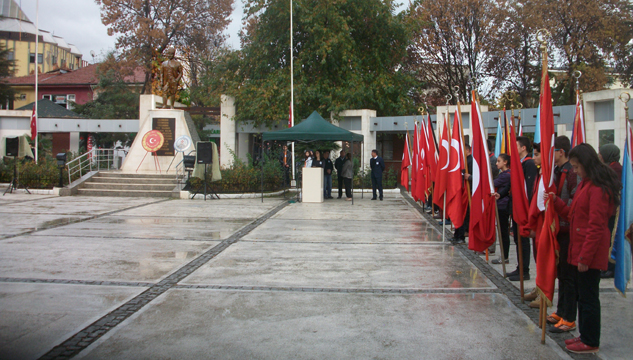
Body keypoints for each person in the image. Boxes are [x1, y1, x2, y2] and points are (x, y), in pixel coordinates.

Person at [546, 143, 621, 354]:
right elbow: (573, 214)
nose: (575, 171)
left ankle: (590, 340)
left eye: (577, 167)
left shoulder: (598, 188)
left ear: (587, 164)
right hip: (579, 248)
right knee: (583, 296)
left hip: (589, 251)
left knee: (588, 298)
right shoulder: (586, 184)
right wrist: (557, 202)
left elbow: (596, 226)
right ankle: (585, 335)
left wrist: (585, 258)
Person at [547, 136, 580, 332]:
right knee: (561, 274)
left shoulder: (572, 173)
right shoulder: (556, 171)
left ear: (561, 152)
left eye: (553, 151)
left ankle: (569, 317)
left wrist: (556, 203)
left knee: (568, 276)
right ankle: (561, 311)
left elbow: (574, 203)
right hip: (557, 227)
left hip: (568, 228)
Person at [507, 136, 538, 281]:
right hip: (516, 206)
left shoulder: (529, 164)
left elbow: (529, 188)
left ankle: (524, 270)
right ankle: (520, 267)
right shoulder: (519, 163)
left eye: (516, 146)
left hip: (524, 208)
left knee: (523, 239)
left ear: (523, 148)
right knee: (518, 239)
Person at [598, 143, 622, 278]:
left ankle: (611, 267)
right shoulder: (610, 167)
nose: (600, 156)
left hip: (613, 210)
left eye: (601, 153)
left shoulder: (615, 169)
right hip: (610, 209)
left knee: (611, 239)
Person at [492, 154, 511, 264]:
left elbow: (494, 183)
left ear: (505, 162)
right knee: (502, 231)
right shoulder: (503, 174)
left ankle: (505, 256)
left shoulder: (506, 175)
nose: (496, 163)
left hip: (503, 206)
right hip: (501, 204)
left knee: (503, 232)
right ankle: (504, 255)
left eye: (499, 161)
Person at [453, 144, 472, 244]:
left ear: (468, 150)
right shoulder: (463, 161)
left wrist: (469, 177)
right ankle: (457, 234)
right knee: (459, 213)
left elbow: (475, 176)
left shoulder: (470, 161)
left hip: (467, 192)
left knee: (464, 215)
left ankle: (461, 236)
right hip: (461, 191)